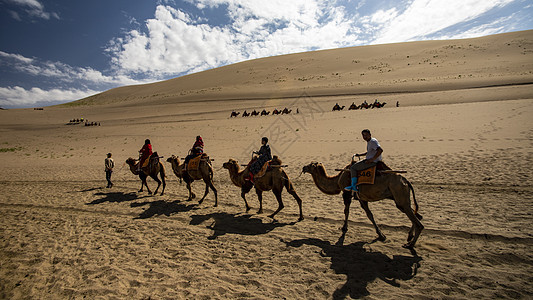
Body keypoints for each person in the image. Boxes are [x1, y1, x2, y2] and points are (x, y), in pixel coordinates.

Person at [344, 129, 383, 196]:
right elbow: (370, 152)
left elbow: (380, 150)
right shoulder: (371, 141)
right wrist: (360, 155)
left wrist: (372, 159)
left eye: (366, 135)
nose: (364, 137)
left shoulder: (373, 142)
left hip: (372, 162)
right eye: (363, 135)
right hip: (371, 160)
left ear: (370, 135)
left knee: (353, 168)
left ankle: (354, 186)